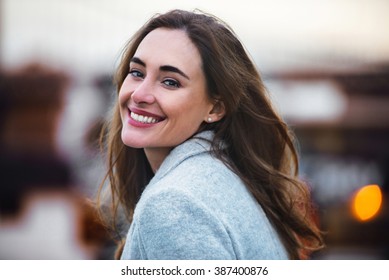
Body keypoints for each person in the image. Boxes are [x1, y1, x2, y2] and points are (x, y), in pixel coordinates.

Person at [97, 9, 323, 260]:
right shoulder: (228, 177)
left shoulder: (174, 206)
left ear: (215, 107)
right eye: (137, 72)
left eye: (170, 82)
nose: (139, 94)